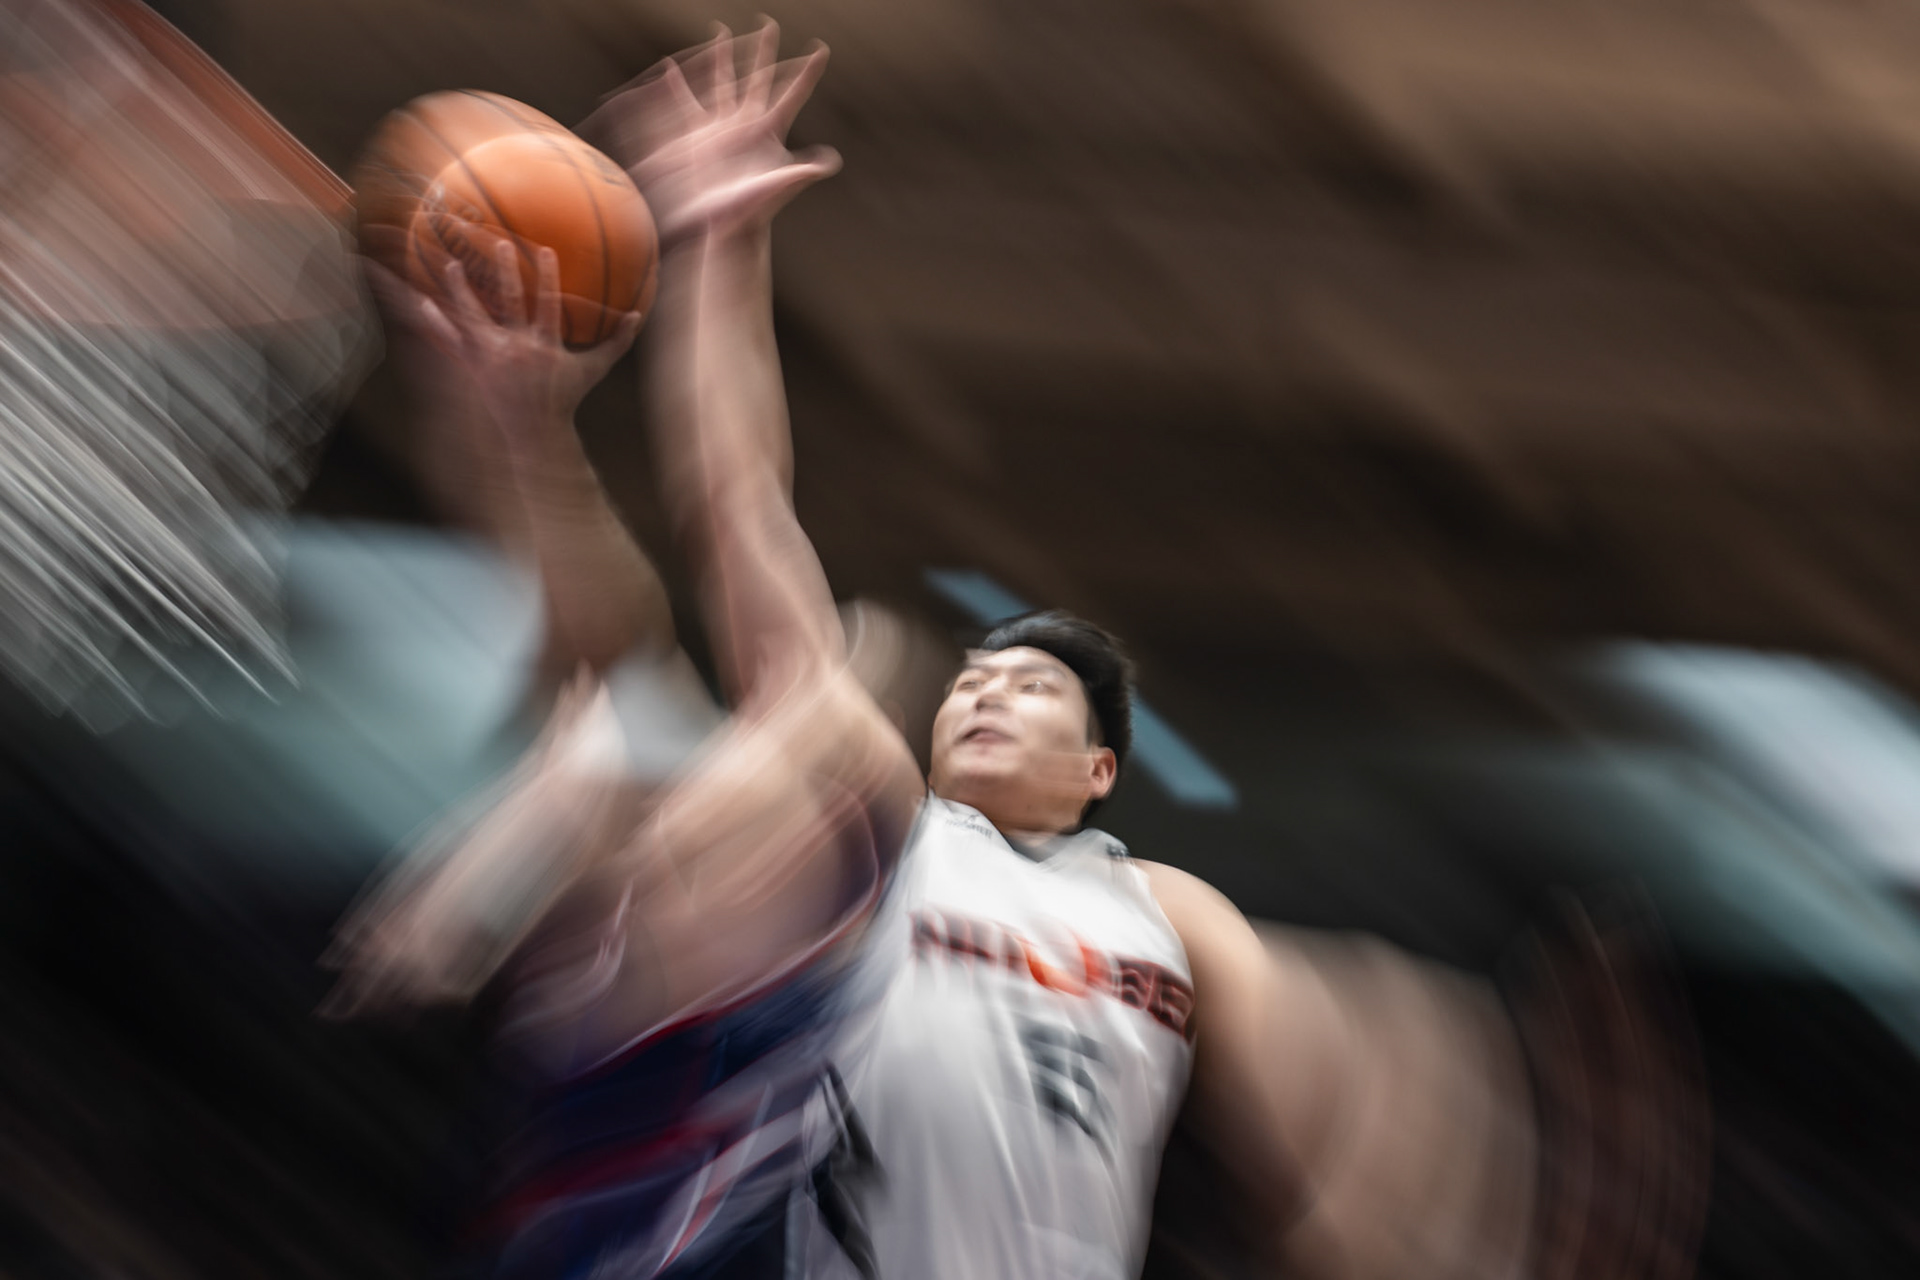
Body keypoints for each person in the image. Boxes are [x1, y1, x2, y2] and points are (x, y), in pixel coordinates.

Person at [336, 24, 1703, 1280]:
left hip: (765, 1160)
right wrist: (704, 254)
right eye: (983, 686)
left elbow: (697, 563)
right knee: (771, 699)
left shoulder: (1071, 905)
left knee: (767, 712)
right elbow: (732, 510)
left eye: (1028, 695)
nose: (986, 693)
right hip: (702, 1148)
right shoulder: (834, 814)